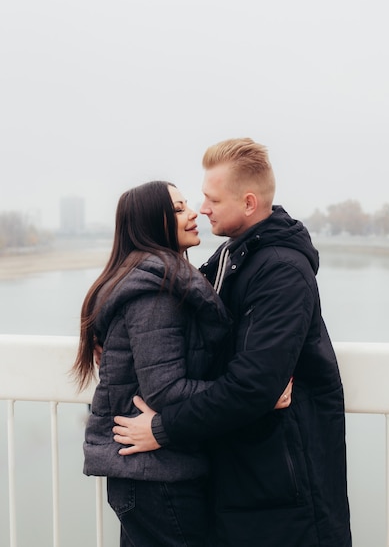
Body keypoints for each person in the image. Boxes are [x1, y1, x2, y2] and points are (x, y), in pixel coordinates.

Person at [112, 138, 352, 547]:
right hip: (248, 480)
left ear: (248, 203)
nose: (202, 209)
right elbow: (169, 320)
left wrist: (164, 428)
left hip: (287, 492)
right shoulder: (232, 259)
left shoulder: (280, 271)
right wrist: (114, 337)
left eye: (211, 200)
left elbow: (254, 385)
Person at [73, 179, 293, 547]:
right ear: (150, 222)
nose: (194, 213)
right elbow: (165, 390)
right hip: (156, 479)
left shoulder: (161, 279)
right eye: (177, 209)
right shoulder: (155, 293)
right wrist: (256, 398)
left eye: (187, 204)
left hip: (156, 473)